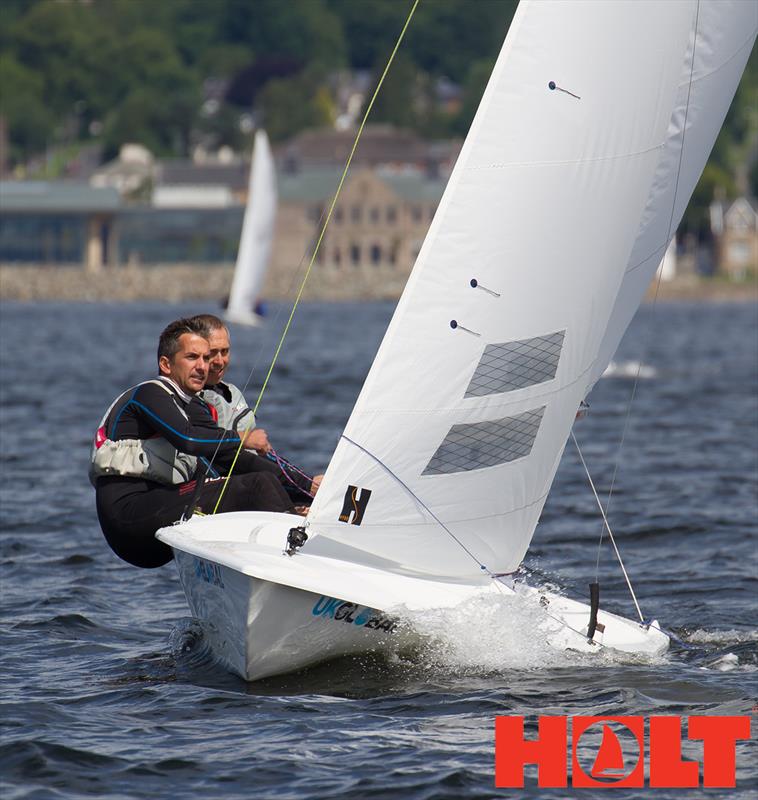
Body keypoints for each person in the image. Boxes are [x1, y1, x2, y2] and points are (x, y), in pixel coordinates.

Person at [90, 317, 300, 569]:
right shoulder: (149, 394)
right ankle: (296, 563)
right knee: (257, 486)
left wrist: (307, 489)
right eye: (192, 357)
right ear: (166, 364)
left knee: (260, 485)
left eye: (205, 358)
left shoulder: (192, 406)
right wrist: (243, 438)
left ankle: (292, 536)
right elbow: (188, 439)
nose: (203, 366)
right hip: (129, 519)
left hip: (160, 511)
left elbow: (233, 461)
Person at [191, 313, 322, 501]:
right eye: (213, 353)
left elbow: (261, 456)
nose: (220, 361)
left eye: (225, 351)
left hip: (252, 482)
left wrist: (306, 483)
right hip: (217, 493)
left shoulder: (231, 393)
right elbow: (224, 458)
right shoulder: (190, 399)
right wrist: (305, 486)